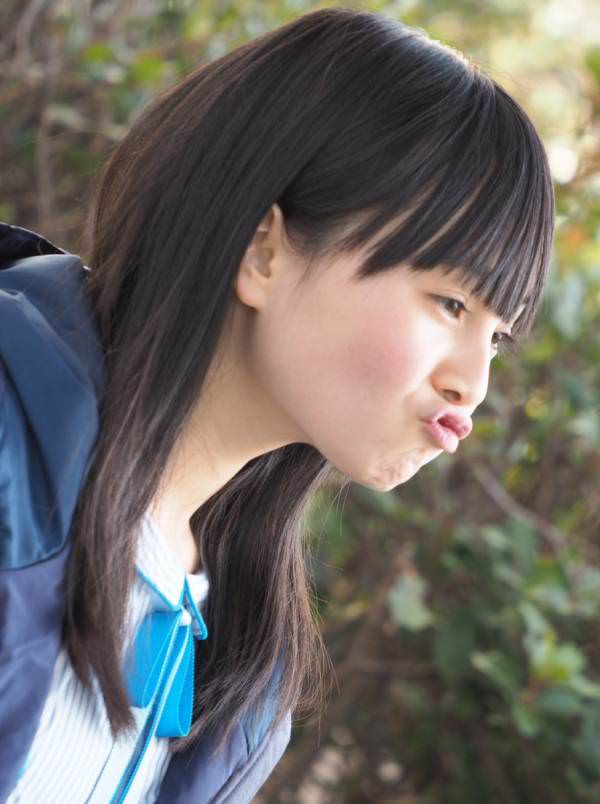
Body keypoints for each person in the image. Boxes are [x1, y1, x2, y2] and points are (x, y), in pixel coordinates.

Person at [0, 6, 555, 802]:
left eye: (498, 338)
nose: (473, 383)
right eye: (451, 304)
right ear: (263, 252)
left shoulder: (245, 665)